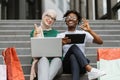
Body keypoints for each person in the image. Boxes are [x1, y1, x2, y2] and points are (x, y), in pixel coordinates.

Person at [57, 10, 106, 80]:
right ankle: (89, 69)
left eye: (73, 17)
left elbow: (100, 42)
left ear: (77, 21)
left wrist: (89, 30)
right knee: (73, 48)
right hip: (67, 65)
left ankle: (87, 68)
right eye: (68, 17)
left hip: (81, 65)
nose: (70, 18)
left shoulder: (83, 33)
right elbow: (54, 51)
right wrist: (61, 43)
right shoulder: (60, 35)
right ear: (66, 21)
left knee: (73, 56)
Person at [30, 9, 62, 80]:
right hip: (40, 63)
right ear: (43, 16)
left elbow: (59, 54)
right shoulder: (35, 31)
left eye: (53, 19)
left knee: (57, 59)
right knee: (43, 59)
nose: (50, 19)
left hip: (55, 65)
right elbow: (35, 53)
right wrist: (36, 36)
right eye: (48, 16)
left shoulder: (56, 34)